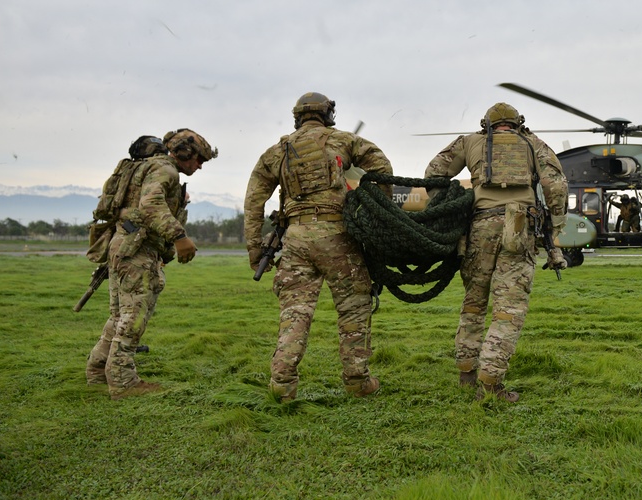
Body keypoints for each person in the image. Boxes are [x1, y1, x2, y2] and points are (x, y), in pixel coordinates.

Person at [243, 92, 393, 401]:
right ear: (327, 115)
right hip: (337, 236)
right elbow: (381, 165)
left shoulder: (275, 153)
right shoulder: (343, 140)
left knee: (295, 312)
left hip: (295, 239)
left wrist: (255, 250)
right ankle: (357, 380)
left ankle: (282, 384)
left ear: (297, 117)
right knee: (354, 306)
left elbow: (253, 202)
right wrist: (378, 209)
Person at [424, 102, 568, 402]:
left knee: (474, 303)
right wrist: (555, 227)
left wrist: (449, 206)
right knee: (508, 310)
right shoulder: (533, 143)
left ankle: (467, 373)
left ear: (485, 124)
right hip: (519, 226)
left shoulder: (469, 142)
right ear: (518, 124)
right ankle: (490, 383)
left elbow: (434, 171)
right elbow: (554, 184)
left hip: (479, 226)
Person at [85, 129, 216, 399]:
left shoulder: (147, 167)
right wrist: (180, 237)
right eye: (199, 159)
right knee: (133, 318)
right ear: (185, 153)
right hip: (137, 251)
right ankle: (123, 383)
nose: (200, 166)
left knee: (119, 317)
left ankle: (98, 370)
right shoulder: (166, 171)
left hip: (124, 245)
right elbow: (150, 204)